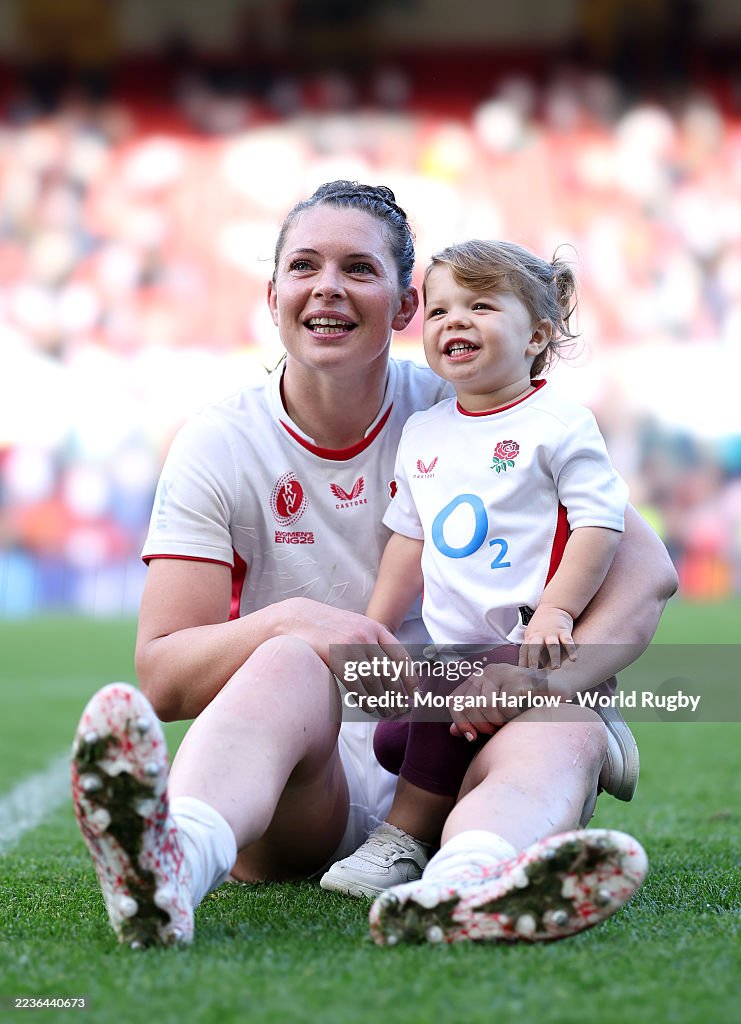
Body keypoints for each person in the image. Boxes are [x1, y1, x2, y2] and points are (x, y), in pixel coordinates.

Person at [70, 181, 676, 950]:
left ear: (402, 308)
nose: (327, 287)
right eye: (304, 266)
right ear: (273, 294)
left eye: (358, 268)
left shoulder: (475, 409)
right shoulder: (218, 442)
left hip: (463, 752)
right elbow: (159, 675)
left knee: (565, 716)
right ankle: (173, 864)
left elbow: (645, 572)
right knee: (287, 656)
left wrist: (544, 677)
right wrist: (295, 620)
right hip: (299, 790)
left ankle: (465, 881)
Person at [319, 238, 631, 903]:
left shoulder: (560, 424)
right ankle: (525, 784)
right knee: (394, 740)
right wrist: (372, 626)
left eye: (480, 305)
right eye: (436, 311)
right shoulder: (425, 432)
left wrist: (556, 611)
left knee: (446, 703)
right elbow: (409, 542)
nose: (452, 321)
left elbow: (600, 526)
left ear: (537, 335)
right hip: (449, 650)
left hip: (532, 642)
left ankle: (402, 841)